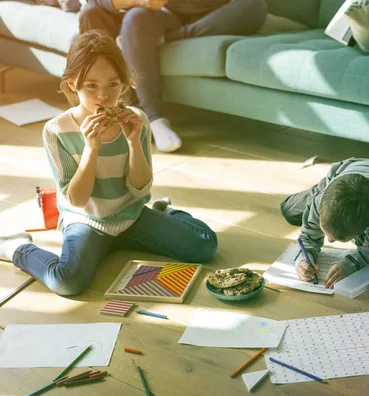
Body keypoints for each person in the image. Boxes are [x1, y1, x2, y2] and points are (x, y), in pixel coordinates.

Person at [0, 30, 218, 296]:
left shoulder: (136, 119)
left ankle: (167, 212)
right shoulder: (57, 131)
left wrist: (134, 142)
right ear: (72, 84)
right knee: (67, 283)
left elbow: (140, 189)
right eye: (91, 85)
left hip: (131, 214)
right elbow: (78, 200)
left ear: (124, 83)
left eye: (113, 84)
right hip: (86, 221)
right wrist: (91, 149)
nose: (103, 96)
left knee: (205, 247)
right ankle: (19, 248)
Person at [79, 0, 268, 153]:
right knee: (112, 14)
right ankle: (147, 116)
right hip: (157, 15)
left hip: (211, 11)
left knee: (255, 5)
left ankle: (168, 38)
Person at [280, 158, 369, 289]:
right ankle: (323, 186)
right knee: (289, 211)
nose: (330, 240)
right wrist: (303, 259)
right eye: (326, 230)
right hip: (344, 171)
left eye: (339, 239)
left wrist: (348, 265)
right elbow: (307, 238)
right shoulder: (320, 200)